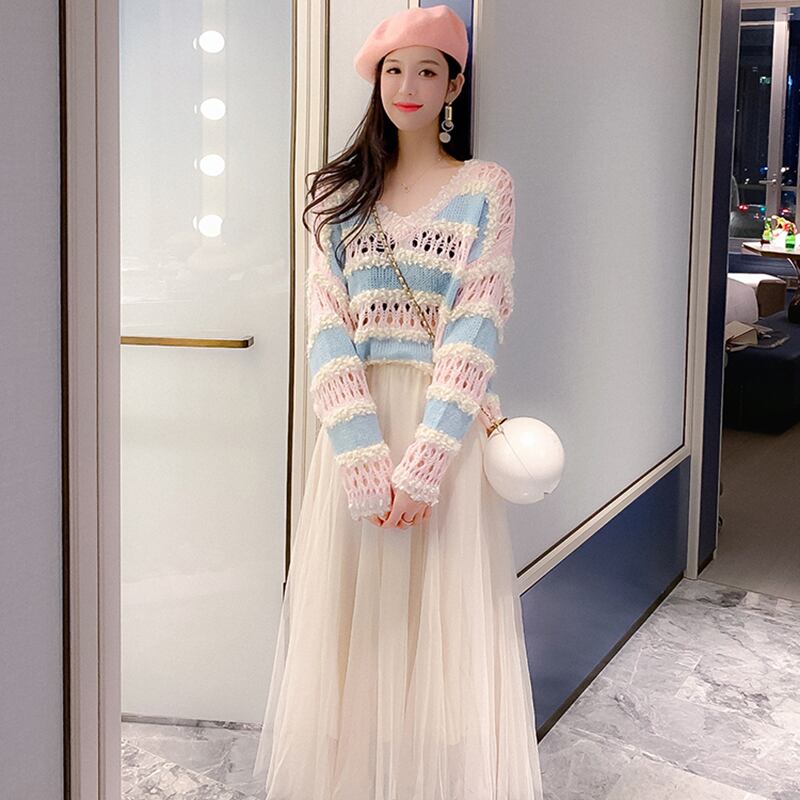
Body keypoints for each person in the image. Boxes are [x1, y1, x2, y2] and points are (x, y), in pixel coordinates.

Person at [252, 5, 544, 798]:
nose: (408, 85)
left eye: (427, 70)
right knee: (355, 630)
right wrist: (360, 455)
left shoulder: (484, 188)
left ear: (454, 85)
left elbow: (476, 328)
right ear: (375, 80)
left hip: (441, 434)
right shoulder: (337, 194)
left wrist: (424, 464)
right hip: (356, 431)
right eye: (393, 70)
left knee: (441, 627)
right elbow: (326, 328)